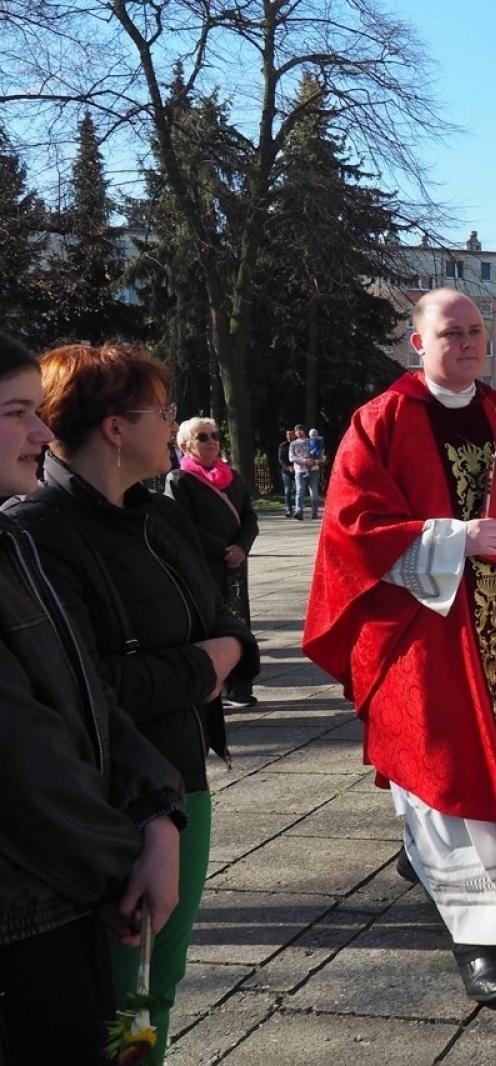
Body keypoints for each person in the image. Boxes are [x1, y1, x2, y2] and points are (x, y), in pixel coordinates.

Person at [302, 288, 496, 1005]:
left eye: (476, 332)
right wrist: (455, 537)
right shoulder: (383, 420)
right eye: (451, 333)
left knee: (480, 773)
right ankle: (479, 940)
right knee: (443, 765)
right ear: (415, 342)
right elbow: (352, 526)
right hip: (420, 636)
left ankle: (425, 860)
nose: (467, 344)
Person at [6, 342, 259, 1065]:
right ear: (116, 427)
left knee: (157, 981)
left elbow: (227, 618)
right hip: (110, 799)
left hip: (182, 779)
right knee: (122, 986)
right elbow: (82, 685)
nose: (174, 422)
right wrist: (203, 665)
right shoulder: (38, 531)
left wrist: (224, 653)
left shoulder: (161, 512)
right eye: (162, 412)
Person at [0, 331, 186, 1065]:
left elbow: (84, 696)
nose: (41, 432)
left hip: (68, 891)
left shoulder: (10, 548)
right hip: (25, 913)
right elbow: (24, 757)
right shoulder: (35, 531)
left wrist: (155, 811)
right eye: (17, 412)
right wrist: (123, 863)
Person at [167, 416, 260, 708]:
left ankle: (239, 687)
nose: (212, 442)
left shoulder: (234, 477)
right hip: (204, 565)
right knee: (211, 623)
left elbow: (249, 518)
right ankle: (215, 685)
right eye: (202, 437)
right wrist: (224, 549)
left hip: (235, 565)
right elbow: (183, 527)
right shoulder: (179, 480)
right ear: (185, 445)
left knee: (238, 621)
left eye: (215, 435)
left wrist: (242, 547)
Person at [287, 423, 318, 520]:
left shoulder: (311, 441)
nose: (298, 433)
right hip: (300, 471)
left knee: (314, 492)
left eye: (300, 430)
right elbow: (291, 458)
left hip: (313, 470)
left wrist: (314, 461)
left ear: (304, 431)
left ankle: (314, 512)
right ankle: (298, 511)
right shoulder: (293, 444)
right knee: (299, 491)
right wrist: (305, 461)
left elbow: (318, 454)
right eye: (296, 431)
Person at [277, 428, 295, 517]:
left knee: (299, 491)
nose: (289, 436)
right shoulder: (282, 445)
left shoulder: (297, 444)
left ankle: (298, 509)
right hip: (286, 471)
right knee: (287, 491)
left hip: (298, 470)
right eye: (288, 434)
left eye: (291, 434)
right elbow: (280, 459)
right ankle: (288, 510)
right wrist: (288, 467)